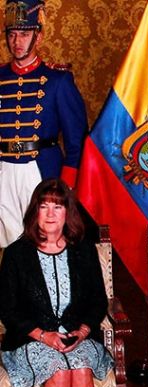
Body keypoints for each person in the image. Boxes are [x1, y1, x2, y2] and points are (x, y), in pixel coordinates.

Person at [0, 178, 112, 387]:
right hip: (30, 338)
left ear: (67, 213)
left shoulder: (84, 250)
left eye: (58, 206)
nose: (51, 213)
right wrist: (43, 335)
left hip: (78, 335)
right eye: (44, 206)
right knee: (60, 373)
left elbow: (98, 300)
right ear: (35, 212)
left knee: (81, 369)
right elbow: (7, 310)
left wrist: (84, 331)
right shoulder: (16, 255)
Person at [0, 0, 88, 248]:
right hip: (3, 172)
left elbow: (76, 140)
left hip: (41, 171)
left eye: (25, 34)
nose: (17, 41)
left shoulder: (57, 80)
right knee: (7, 246)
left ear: (38, 37)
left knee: (43, 243)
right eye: (13, 34)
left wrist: (66, 184)